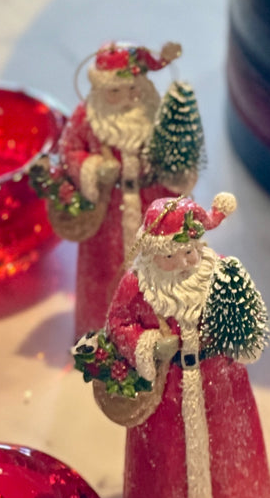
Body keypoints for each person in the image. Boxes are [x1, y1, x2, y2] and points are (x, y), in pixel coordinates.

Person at [103, 195, 270, 498]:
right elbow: (117, 323)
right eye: (170, 256)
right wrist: (148, 345)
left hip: (222, 386)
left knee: (227, 452)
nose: (181, 264)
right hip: (166, 393)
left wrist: (244, 340)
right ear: (152, 255)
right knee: (167, 460)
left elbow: (246, 314)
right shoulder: (138, 285)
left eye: (188, 253)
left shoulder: (221, 272)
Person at [57, 41, 194, 337]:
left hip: (152, 205)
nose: (127, 98)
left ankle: (159, 331)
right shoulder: (87, 117)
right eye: (116, 92)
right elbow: (69, 149)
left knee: (158, 268)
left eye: (133, 89)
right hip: (108, 214)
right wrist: (92, 168)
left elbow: (176, 152)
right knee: (105, 272)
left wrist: (175, 171)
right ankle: (101, 333)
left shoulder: (154, 115)